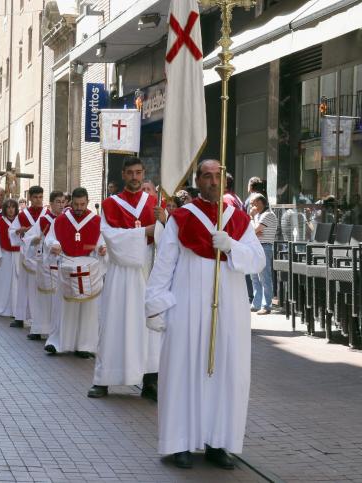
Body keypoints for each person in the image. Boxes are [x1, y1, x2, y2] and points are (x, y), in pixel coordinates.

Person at [145, 159, 265, 470]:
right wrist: (156, 303)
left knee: (227, 373)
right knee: (183, 371)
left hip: (230, 310)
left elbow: (258, 261)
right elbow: (164, 263)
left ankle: (218, 442)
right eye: (207, 176)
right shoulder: (182, 218)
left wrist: (232, 246)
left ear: (225, 181)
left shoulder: (238, 219)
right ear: (198, 180)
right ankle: (179, 443)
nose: (213, 181)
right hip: (186, 305)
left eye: (218, 176)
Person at [88, 157, 164, 400]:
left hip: (147, 269)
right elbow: (110, 237)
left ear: (144, 174)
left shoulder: (154, 203)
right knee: (114, 322)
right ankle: (104, 380)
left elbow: (167, 239)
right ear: (123, 174)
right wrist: (145, 232)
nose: (134, 177)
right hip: (121, 274)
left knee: (149, 325)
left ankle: (150, 380)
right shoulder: (111, 204)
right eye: (130, 173)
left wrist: (164, 221)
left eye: (139, 173)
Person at [44, 188, 106, 357]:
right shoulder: (61, 220)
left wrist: (101, 249)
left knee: (88, 308)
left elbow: (102, 242)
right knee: (64, 307)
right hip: (67, 266)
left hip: (88, 268)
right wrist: (54, 244)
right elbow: (50, 238)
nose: (79, 207)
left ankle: (85, 345)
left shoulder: (96, 221)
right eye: (76, 204)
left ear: (87, 201)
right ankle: (58, 342)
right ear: (71, 203)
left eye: (83, 204)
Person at [23, 190, 65, 340]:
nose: (61, 205)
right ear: (52, 203)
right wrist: (34, 240)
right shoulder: (44, 220)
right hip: (46, 263)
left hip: (61, 262)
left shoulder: (68, 220)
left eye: (63, 202)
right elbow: (29, 238)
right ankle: (39, 328)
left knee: (58, 298)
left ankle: (56, 329)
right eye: (58, 202)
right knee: (44, 296)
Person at [9, 186, 47, 328]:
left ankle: (39, 317)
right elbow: (12, 231)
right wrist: (19, 230)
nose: (38, 200)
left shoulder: (47, 214)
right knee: (23, 285)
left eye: (40, 197)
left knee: (39, 286)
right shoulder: (23, 215)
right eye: (35, 197)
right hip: (27, 253)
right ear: (30, 198)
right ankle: (20, 317)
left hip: (43, 255)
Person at [249, 193, 277, 315]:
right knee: (254, 276)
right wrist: (254, 230)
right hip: (256, 246)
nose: (251, 206)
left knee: (264, 277)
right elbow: (250, 231)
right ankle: (257, 303)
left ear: (260, 202)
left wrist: (252, 221)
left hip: (264, 247)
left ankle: (266, 305)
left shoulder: (268, 215)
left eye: (253, 203)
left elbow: (254, 230)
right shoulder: (259, 215)